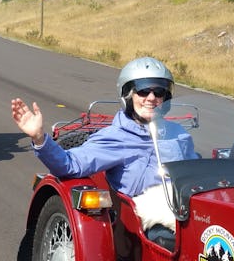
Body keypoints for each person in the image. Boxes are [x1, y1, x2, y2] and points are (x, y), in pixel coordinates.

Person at [11, 57, 199, 241]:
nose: (151, 98)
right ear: (128, 95)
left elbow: (196, 171)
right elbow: (70, 164)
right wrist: (38, 137)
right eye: (143, 91)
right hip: (139, 227)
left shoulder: (178, 134)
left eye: (159, 91)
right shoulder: (114, 137)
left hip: (183, 211)